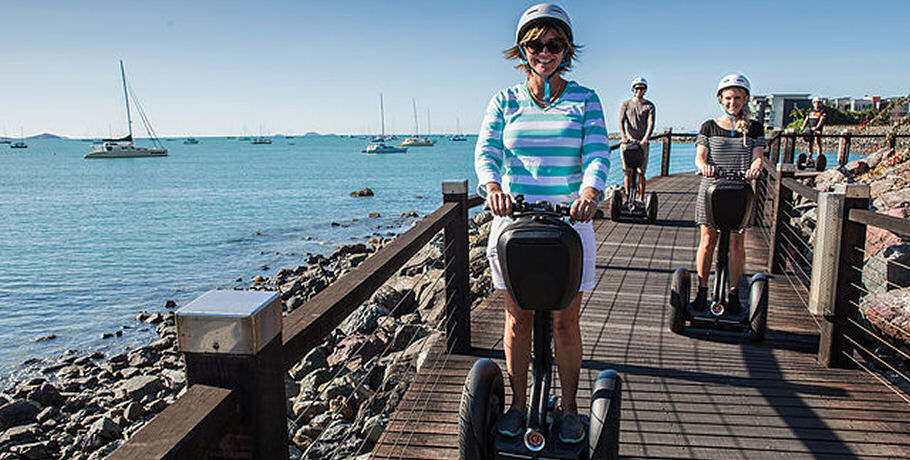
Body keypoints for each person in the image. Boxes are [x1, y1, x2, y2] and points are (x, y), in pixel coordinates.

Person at [474, 2, 609, 444]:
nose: (543, 52)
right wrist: (492, 185)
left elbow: (597, 153)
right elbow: (487, 150)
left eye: (553, 44)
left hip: (569, 222)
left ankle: (569, 409)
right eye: (535, 44)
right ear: (522, 48)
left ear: (566, 48)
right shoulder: (505, 99)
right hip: (515, 221)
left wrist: (590, 192)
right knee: (518, 320)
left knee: (567, 321)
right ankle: (516, 404)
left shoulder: (585, 99)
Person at [693, 74, 766, 313]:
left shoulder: (754, 128)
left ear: (745, 99)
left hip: (740, 189)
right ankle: (701, 290)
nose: (732, 102)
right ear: (720, 99)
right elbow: (700, 156)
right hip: (712, 188)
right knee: (707, 240)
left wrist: (755, 168)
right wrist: (704, 166)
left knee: (737, 242)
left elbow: (758, 157)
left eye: (737, 98)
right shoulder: (709, 126)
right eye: (728, 98)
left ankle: (734, 295)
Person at [618, 77, 655, 201]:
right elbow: (621, 121)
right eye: (637, 88)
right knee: (627, 172)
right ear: (633, 89)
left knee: (641, 173)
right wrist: (623, 136)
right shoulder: (626, 104)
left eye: (642, 88)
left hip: (642, 143)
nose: (639, 90)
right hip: (627, 143)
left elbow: (650, 124)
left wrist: (645, 138)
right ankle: (628, 197)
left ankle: (640, 197)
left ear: (645, 90)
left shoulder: (649, 106)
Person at [800, 97, 827, 161]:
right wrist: (803, 127)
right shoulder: (810, 111)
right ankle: (810, 157)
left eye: (818, 102)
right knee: (810, 142)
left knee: (818, 142)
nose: (816, 104)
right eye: (815, 102)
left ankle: (819, 157)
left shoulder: (822, 111)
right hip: (810, 129)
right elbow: (806, 120)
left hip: (817, 129)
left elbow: (821, 120)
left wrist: (817, 127)